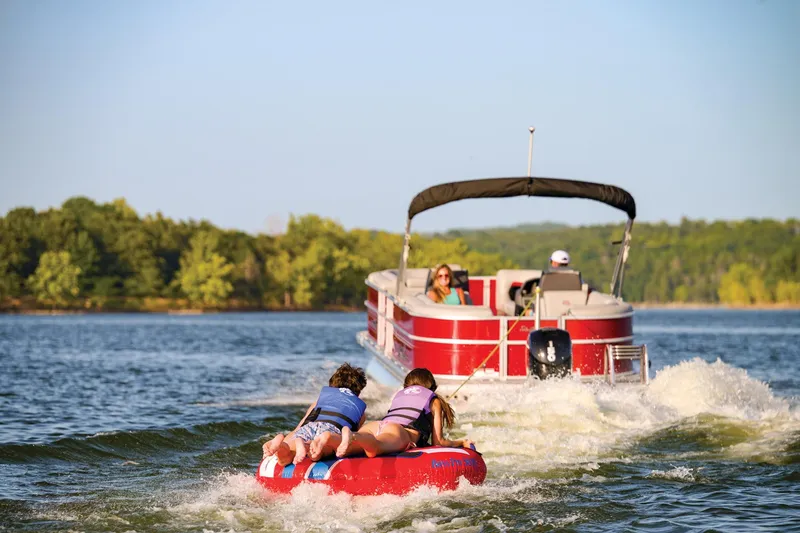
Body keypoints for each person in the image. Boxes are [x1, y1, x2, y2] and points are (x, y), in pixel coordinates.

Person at [309, 368, 474, 460]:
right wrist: (462, 442)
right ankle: (351, 436)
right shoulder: (434, 400)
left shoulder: (400, 395)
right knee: (375, 448)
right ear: (432, 387)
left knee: (351, 449)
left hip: (376, 425)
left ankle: (331, 438)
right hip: (398, 432)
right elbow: (439, 442)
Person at [262, 362, 367, 466]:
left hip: (309, 428)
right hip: (332, 431)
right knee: (320, 451)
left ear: (332, 386)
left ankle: (281, 446)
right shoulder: (360, 412)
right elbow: (353, 436)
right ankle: (323, 440)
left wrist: (289, 439)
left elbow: (300, 427)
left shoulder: (319, 402)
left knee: (286, 458)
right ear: (358, 392)